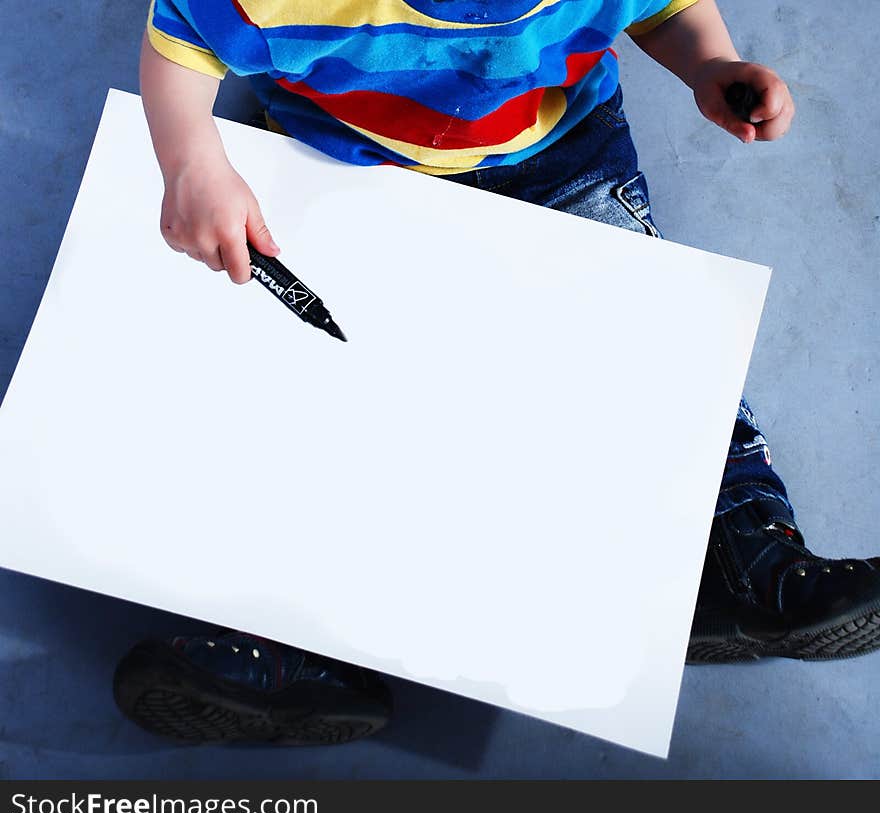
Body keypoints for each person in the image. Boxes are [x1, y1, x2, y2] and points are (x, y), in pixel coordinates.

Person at [114, 0, 880, 745]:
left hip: (562, 150)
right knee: (326, 406)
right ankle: (291, 634)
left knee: (658, 345)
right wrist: (192, 162)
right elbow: (182, 38)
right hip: (339, 163)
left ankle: (742, 547)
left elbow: (667, 5)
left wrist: (711, 61)